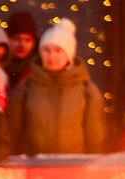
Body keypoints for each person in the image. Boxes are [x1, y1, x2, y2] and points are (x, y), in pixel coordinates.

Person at [7, 19, 106, 155]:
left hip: (74, 165)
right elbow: (11, 135)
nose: (51, 56)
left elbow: (96, 137)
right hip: (34, 165)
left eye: (58, 50)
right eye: (46, 50)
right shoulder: (25, 88)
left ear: (69, 54)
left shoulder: (87, 90)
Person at [3, 12, 38, 87]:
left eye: (27, 40)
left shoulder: (39, 73)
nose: (22, 45)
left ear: (34, 43)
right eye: (16, 39)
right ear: (8, 39)